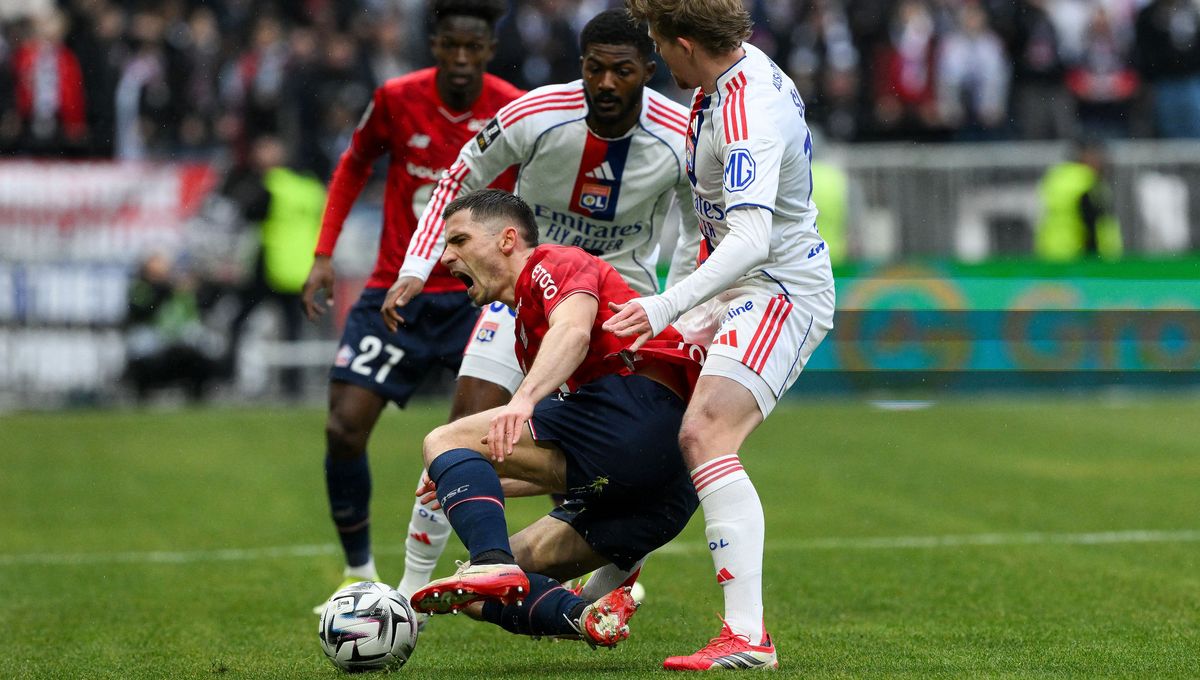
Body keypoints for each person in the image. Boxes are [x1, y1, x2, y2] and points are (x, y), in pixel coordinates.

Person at [382, 8, 698, 603]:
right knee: (462, 429)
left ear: (649, 71)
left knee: (596, 446)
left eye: (622, 71)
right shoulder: (536, 114)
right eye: (594, 69)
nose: (605, 83)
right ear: (580, 66)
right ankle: (409, 595)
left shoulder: (679, 136)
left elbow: (697, 224)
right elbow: (457, 177)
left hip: (616, 310)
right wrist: (417, 265)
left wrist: (671, 305)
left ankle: (608, 569)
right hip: (520, 293)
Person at [608, 0, 837, 670]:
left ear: (684, 43)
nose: (654, 59)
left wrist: (662, 308)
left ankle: (747, 636)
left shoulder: (747, 112)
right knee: (647, 417)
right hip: (731, 285)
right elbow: (704, 225)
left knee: (704, 431)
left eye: (657, 44)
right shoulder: (717, 88)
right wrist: (675, 314)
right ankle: (617, 584)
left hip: (779, 291)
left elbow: (752, 239)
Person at [405, 188, 705, 648]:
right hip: (659, 496)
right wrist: (474, 478)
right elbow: (572, 463)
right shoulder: (526, 330)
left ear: (507, 240)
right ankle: (586, 617)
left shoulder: (553, 262)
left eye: (459, 240)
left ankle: (490, 558)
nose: (446, 257)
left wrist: (521, 401)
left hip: (639, 412)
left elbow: (574, 330)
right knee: (474, 594)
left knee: (443, 441)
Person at [300, 0, 523, 613]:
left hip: (479, 301)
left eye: (471, 48)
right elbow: (352, 165)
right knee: (343, 427)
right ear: (434, 44)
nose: (459, 58)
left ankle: (510, 561)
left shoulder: (513, 107)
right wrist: (323, 254)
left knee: (477, 442)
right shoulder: (397, 98)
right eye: (449, 45)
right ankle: (358, 575)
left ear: (487, 49)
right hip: (397, 290)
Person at [224, 134, 326, 396]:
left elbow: (245, 212)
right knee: (294, 329)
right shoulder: (311, 188)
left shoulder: (271, 185)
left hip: (271, 267)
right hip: (303, 269)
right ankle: (294, 386)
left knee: (238, 322)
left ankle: (228, 375)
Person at [1035, 138, 1123, 262]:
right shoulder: (1086, 182)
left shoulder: (1056, 178)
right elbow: (1092, 224)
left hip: (1052, 254)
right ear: (1085, 155)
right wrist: (1096, 258)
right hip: (1080, 258)